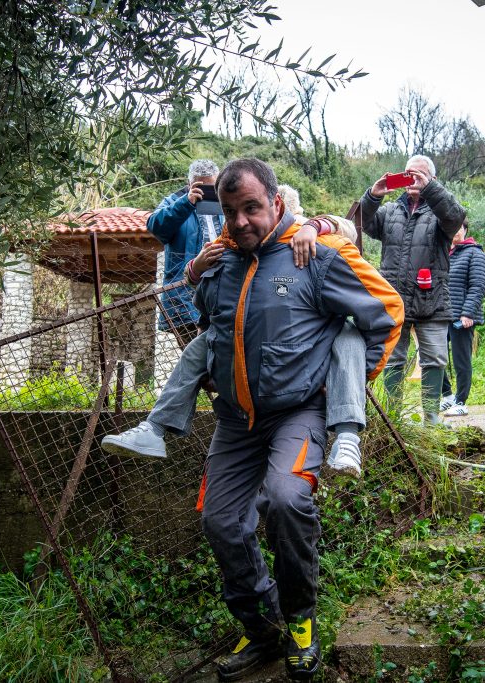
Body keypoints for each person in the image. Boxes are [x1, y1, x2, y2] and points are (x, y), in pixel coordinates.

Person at [196, 158, 403, 680]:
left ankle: (300, 622)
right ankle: (262, 628)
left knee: (287, 500)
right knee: (220, 521)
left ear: (276, 202)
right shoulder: (221, 262)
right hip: (235, 422)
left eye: (251, 208)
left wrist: (344, 385)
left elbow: (387, 312)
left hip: (298, 412)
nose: (240, 221)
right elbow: (206, 321)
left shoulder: (315, 255)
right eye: (230, 211)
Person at [101, 203, 371, 475]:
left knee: (349, 338)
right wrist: (195, 268)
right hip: (249, 359)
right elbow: (211, 278)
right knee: (199, 347)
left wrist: (313, 227)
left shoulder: (316, 244)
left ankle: (347, 436)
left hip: (307, 362)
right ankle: (155, 427)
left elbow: (346, 230)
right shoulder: (250, 244)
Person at [359, 155, 466, 425]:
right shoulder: (390, 211)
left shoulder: (440, 213)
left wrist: (429, 189)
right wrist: (373, 196)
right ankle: (393, 419)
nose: (412, 178)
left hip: (432, 300)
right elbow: (360, 222)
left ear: (433, 179)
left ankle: (431, 419)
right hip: (394, 299)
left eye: (419, 174)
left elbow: (455, 216)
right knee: (393, 359)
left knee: (435, 359)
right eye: (408, 173)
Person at [147, 159, 223, 345]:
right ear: (190, 184)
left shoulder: (226, 203)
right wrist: (186, 203)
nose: (207, 192)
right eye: (201, 187)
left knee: (219, 354)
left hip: (222, 294)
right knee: (197, 356)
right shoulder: (175, 202)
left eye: (212, 187)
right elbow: (155, 227)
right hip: (184, 298)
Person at [440, 218, 485, 416]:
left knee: (461, 360)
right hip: (440, 314)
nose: (456, 231)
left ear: (466, 230)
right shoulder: (443, 252)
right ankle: (447, 396)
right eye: (453, 227)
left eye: (460, 227)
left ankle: (461, 402)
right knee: (435, 356)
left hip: (462, 317)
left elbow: (478, 286)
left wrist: (468, 313)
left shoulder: (475, 253)